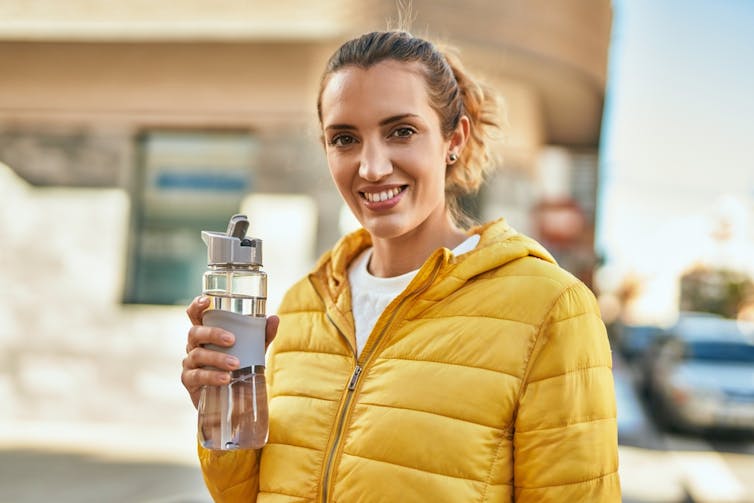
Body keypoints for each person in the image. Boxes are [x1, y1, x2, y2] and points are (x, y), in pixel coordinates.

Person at [182, 30, 620, 502]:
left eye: (401, 132)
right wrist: (220, 414)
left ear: (454, 139)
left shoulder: (549, 307)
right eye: (345, 139)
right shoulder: (304, 304)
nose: (371, 167)